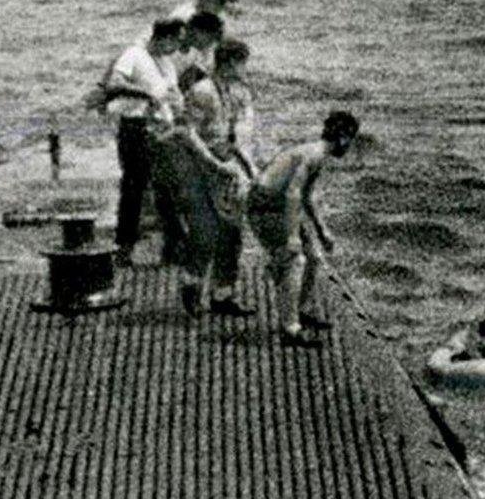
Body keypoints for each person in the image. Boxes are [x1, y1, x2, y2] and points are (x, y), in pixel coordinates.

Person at [246, 110, 360, 347]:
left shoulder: (318, 156)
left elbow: (306, 197)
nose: (349, 147)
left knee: (314, 258)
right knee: (295, 260)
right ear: (343, 138)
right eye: (350, 140)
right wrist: (290, 235)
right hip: (265, 208)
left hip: (280, 207)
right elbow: (292, 193)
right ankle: (291, 329)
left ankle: (298, 310)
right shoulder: (314, 155)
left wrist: (321, 231)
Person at [177, 39, 257, 316]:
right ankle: (192, 286)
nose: (245, 69)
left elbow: (235, 138)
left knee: (232, 233)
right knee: (205, 233)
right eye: (242, 62)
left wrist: (247, 167)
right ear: (231, 62)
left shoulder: (234, 92)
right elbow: (187, 133)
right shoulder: (202, 91)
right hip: (200, 167)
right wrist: (212, 163)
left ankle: (223, 294)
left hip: (226, 167)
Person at [100, 19, 185, 264]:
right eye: (177, 40)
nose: (179, 46)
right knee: (134, 189)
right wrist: (144, 94)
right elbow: (114, 84)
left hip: (160, 128)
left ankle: (173, 247)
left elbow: (172, 95)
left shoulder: (167, 64)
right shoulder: (134, 54)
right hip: (135, 127)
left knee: (166, 188)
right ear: (164, 37)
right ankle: (124, 248)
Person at [173, 12, 224, 94]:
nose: (209, 43)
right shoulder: (172, 48)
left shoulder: (196, 54)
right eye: (209, 38)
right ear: (197, 30)